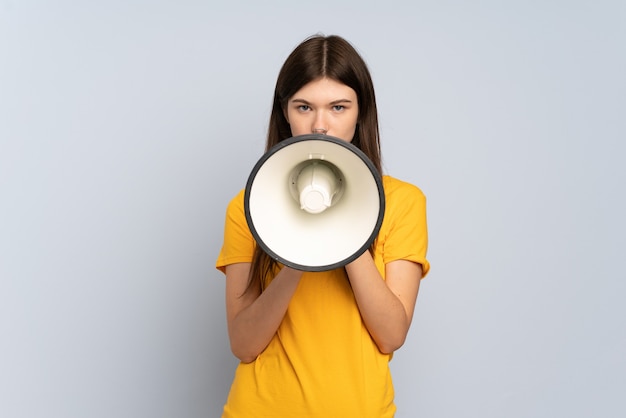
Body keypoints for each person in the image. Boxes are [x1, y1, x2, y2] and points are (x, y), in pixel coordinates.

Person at [216, 34, 430, 417]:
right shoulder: (247, 207)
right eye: (304, 106)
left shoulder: (402, 202)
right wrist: (297, 248)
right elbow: (243, 343)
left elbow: (391, 335)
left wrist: (344, 227)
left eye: (338, 107)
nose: (320, 124)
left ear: (361, 112)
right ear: (284, 112)